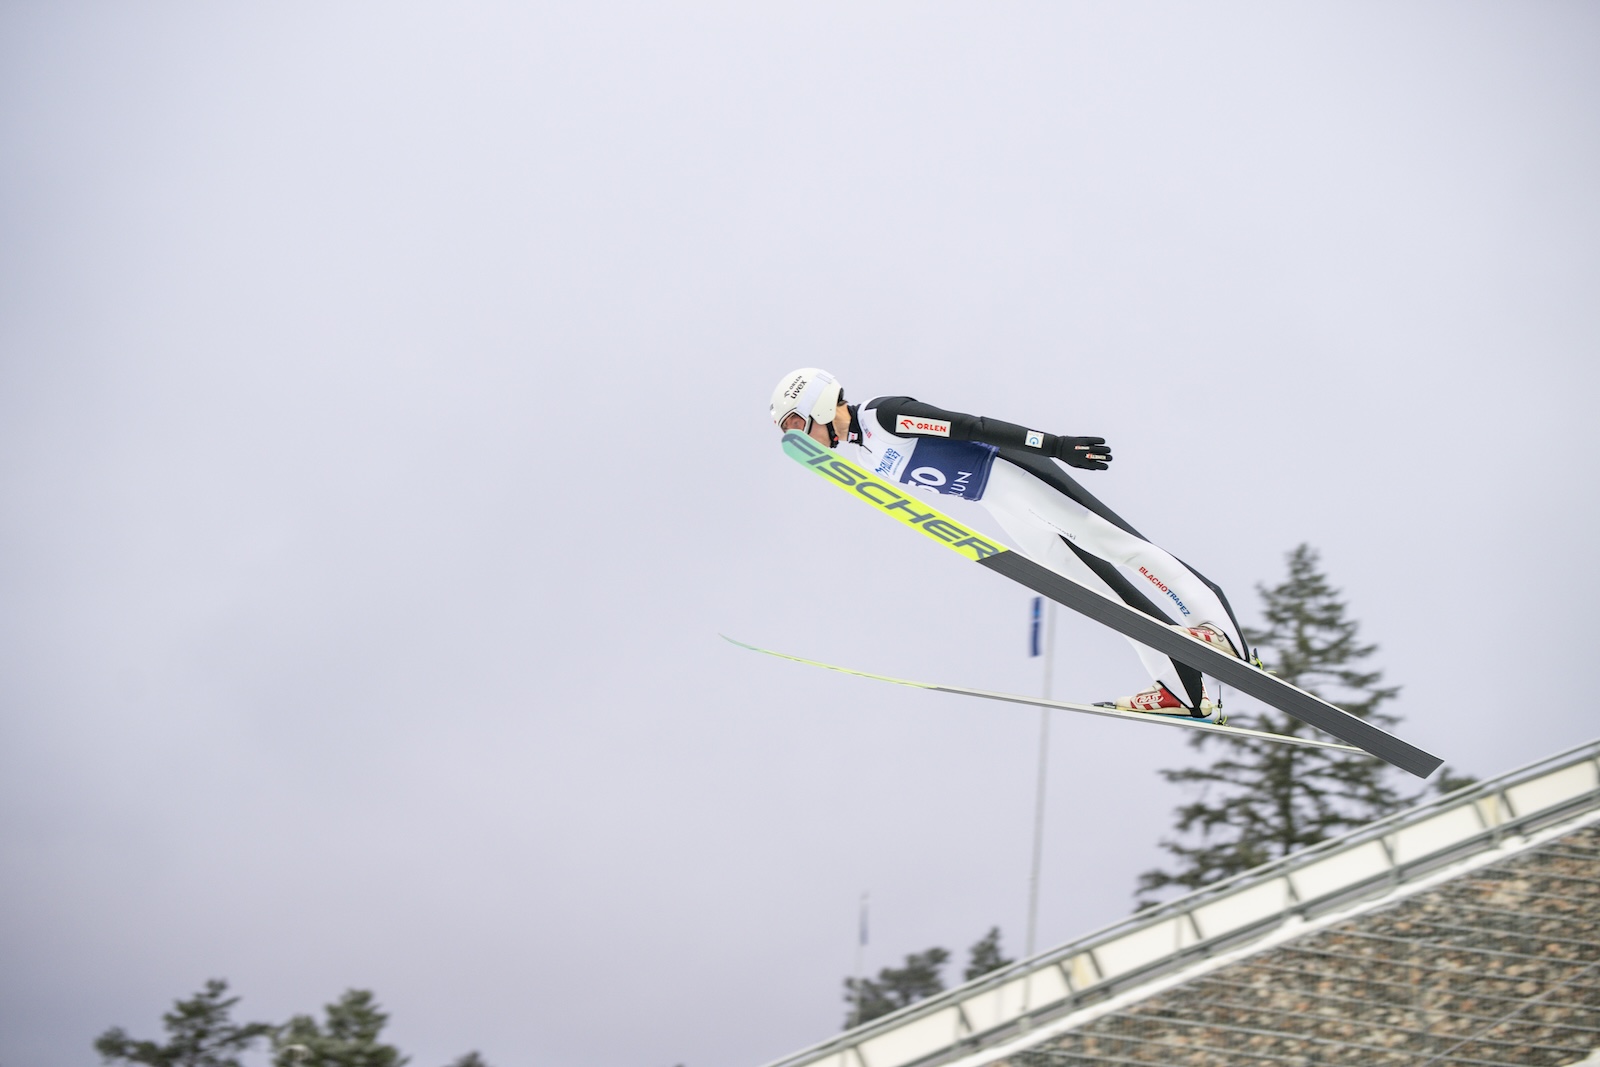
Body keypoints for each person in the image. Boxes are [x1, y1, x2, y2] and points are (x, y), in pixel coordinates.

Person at [769, 367, 1254, 717]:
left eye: (795, 425)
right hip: (998, 503)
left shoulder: (883, 417)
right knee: (1095, 594)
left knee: (1115, 544)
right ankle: (1181, 685)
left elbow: (972, 426)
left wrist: (1055, 445)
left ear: (815, 403)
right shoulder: (863, 452)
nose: (800, 438)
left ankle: (1216, 627)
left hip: (1015, 474)